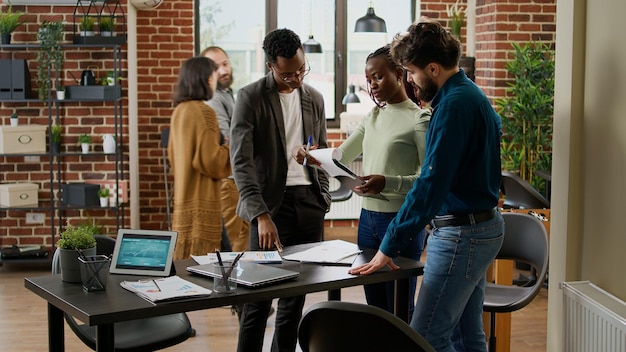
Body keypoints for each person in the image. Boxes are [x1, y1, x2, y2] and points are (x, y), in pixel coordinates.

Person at [349, 21, 505, 352]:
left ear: (432, 68)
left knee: (423, 338)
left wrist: (387, 246)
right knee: (466, 335)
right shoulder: (472, 94)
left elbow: (429, 185)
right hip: (482, 227)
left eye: (412, 71)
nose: (410, 80)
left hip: (461, 235)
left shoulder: (452, 107)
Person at [230, 28, 331, 352]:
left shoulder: (314, 98)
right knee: (257, 301)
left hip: (307, 204)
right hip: (268, 210)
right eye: (288, 73)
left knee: (293, 302)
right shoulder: (250, 97)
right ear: (270, 65)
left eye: (302, 69)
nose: (297, 78)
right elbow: (241, 162)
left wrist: (323, 199)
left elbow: (322, 151)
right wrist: (260, 215)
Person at [337, 45, 430, 316]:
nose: (372, 85)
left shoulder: (419, 118)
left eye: (378, 77)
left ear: (399, 74)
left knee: (399, 308)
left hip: (401, 221)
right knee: (375, 307)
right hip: (366, 222)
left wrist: (387, 183)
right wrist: (309, 155)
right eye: (368, 80)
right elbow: (340, 155)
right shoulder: (372, 116)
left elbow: (427, 179)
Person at [168, 56, 231, 260]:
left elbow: (173, 155)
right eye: (213, 77)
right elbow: (211, 161)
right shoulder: (204, 112)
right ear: (204, 80)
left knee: (189, 267)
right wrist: (231, 148)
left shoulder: (179, 111)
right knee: (219, 265)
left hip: (183, 200)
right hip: (203, 201)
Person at [201, 46, 250, 253]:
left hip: (238, 179)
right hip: (229, 182)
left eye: (225, 64)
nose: (222, 71)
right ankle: (229, 283)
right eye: (215, 67)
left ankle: (240, 283)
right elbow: (227, 139)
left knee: (243, 238)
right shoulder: (214, 98)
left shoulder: (227, 94)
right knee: (232, 242)